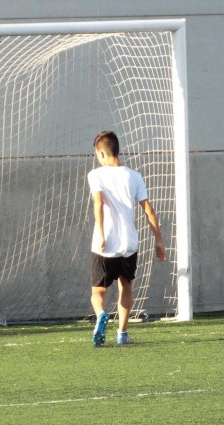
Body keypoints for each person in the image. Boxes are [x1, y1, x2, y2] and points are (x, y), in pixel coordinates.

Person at [88, 131, 166, 346]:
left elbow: (98, 203)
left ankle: (101, 314)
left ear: (102, 153)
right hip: (129, 242)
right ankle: (122, 334)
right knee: (126, 286)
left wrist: (102, 234)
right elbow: (149, 210)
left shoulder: (96, 175)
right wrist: (158, 239)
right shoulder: (134, 176)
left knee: (98, 291)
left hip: (105, 243)